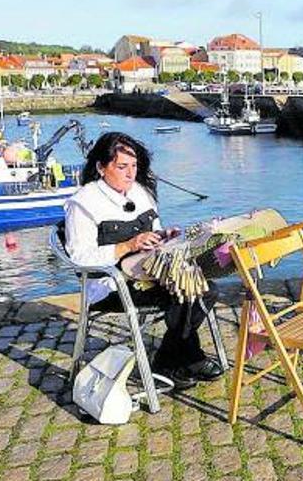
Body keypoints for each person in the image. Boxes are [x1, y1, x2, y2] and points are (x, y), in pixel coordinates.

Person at [63, 132, 223, 390]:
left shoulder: (140, 193)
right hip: (109, 284)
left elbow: (154, 232)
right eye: (122, 167)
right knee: (183, 295)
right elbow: (79, 258)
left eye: (134, 166)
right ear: (101, 167)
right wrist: (127, 246)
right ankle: (186, 359)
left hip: (149, 272)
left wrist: (164, 236)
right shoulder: (82, 203)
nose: (130, 174)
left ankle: (168, 359)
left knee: (207, 289)